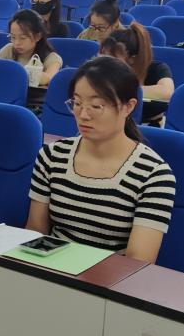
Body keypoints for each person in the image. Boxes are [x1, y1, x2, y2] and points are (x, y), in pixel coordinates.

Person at [26, 56, 176, 262]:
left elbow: (138, 261)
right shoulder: (52, 156)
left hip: (112, 278)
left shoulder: (154, 175)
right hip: (52, 269)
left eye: (96, 106)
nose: (83, 115)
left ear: (128, 107)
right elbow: (36, 233)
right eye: (77, 103)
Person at [99, 22, 174, 122]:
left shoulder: (157, 68)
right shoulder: (100, 69)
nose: (106, 62)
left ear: (132, 58)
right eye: (104, 56)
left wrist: (120, 90)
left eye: (113, 57)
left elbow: (167, 92)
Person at [0, 9, 63, 87]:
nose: (17, 43)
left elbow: (49, 77)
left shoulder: (52, 58)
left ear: (38, 37)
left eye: (23, 38)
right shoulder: (8, 49)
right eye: (13, 37)